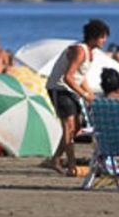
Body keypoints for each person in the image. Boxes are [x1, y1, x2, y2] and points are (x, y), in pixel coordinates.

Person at [45, 19, 110, 176]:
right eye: (102, 37)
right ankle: (71, 165)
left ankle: (55, 159)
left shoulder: (90, 53)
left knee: (75, 129)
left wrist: (91, 95)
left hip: (70, 90)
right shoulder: (80, 51)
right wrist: (84, 94)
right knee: (68, 126)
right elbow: (68, 77)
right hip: (59, 88)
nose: (105, 40)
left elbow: (81, 77)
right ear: (94, 37)